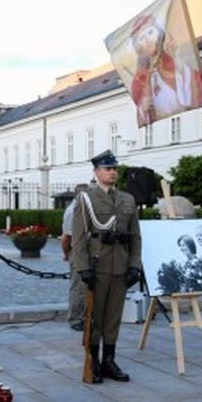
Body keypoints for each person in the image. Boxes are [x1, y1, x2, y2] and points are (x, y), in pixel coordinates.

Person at [73, 150, 141, 383]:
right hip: (97, 265)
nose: (112, 172)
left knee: (113, 317)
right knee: (95, 318)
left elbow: (135, 237)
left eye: (114, 169)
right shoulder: (86, 199)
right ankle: (93, 362)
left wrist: (134, 265)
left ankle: (109, 360)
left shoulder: (127, 200)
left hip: (120, 266)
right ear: (96, 172)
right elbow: (79, 238)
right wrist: (83, 268)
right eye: (107, 168)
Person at [127, 15, 202, 127]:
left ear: (159, 34)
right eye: (142, 38)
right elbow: (140, 111)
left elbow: (192, 81)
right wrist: (143, 107)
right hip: (161, 127)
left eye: (150, 33)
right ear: (138, 46)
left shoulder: (173, 60)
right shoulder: (139, 78)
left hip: (184, 122)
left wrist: (177, 64)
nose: (148, 41)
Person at [62, 183, 90, 331]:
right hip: (78, 251)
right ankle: (75, 319)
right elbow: (66, 237)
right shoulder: (73, 211)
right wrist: (67, 254)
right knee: (78, 287)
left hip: (87, 251)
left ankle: (85, 315)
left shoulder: (83, 209)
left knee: (84, 287)